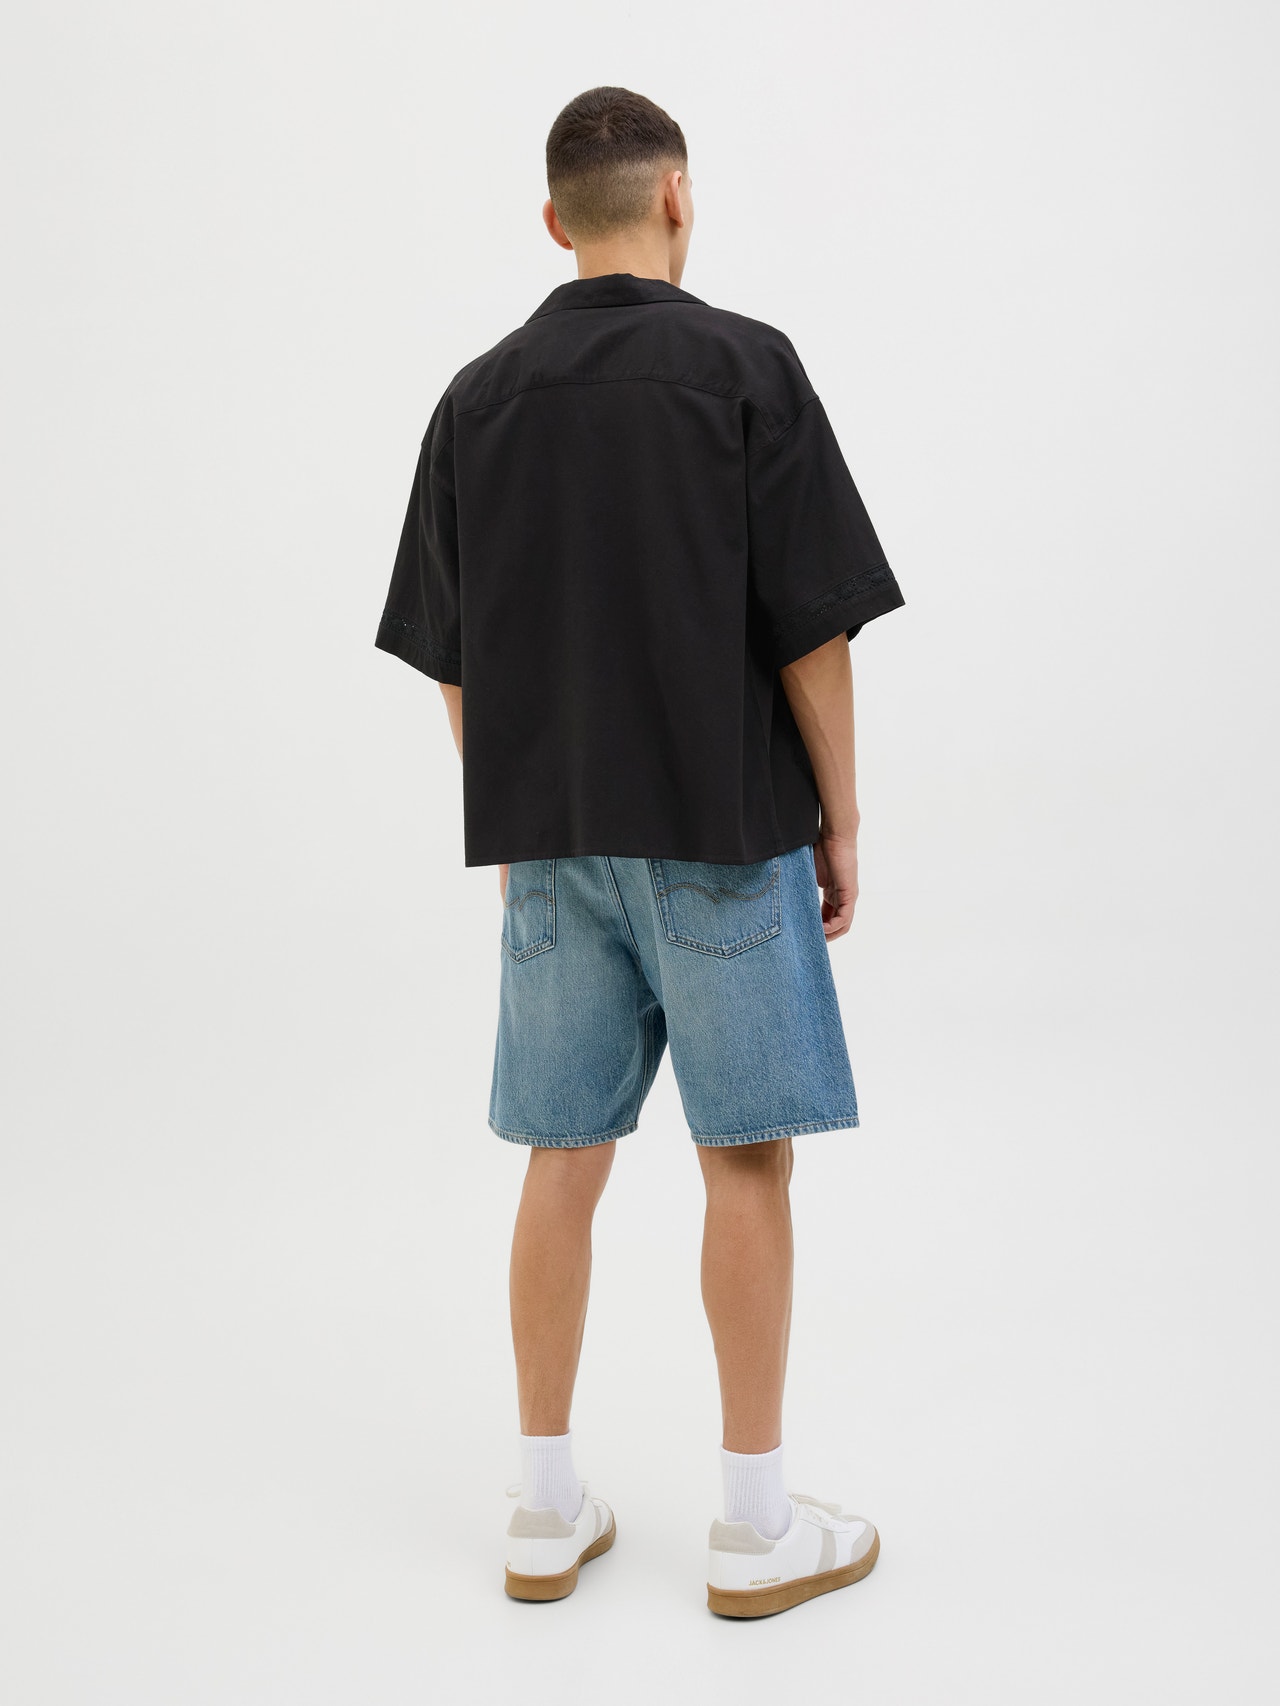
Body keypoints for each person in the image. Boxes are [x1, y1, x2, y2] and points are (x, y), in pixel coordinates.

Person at [374, 85, 906, 1619]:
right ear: (677, 195)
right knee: (745, 1158)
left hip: (552, 844)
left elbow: (455, 660)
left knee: (565, 1157)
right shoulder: (745, 368)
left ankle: (544, 1509)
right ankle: (756, 1526)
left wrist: (522, 812)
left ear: (556, 220)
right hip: (723, 832)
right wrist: (841, 814)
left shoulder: (474, 399)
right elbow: (812, 634)